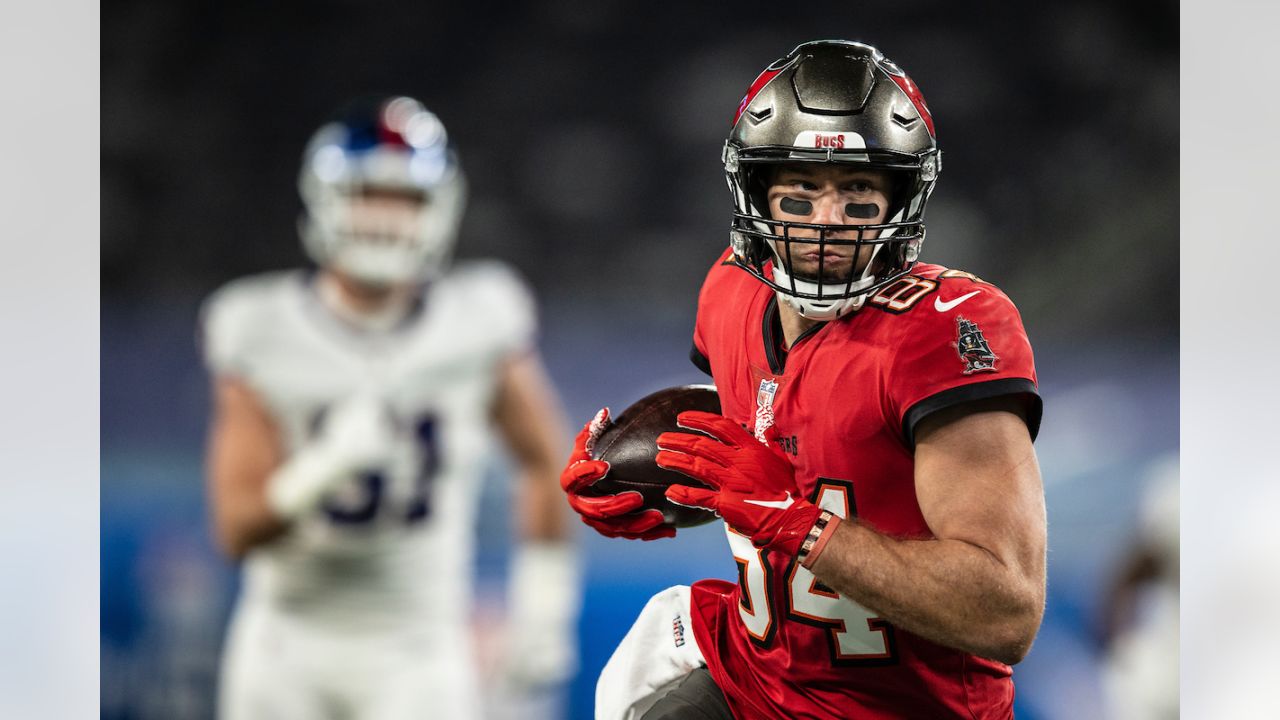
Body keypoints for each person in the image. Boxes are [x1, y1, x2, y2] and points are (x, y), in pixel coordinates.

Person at [561, 40, 1046, 719]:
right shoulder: (729, 292)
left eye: (857, 192)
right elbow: (778, 427)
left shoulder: (944, 331)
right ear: (755, 193)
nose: (825, 222)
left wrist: (793, 521)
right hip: (751, 678)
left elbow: (1005, 612)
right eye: (801, 192)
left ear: (901, 200)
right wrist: (650, 473)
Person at [201, 95, 579, 720]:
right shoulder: (259, 327)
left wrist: (545, 608)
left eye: (405, 198)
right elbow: (236, 529)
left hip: (420, 648)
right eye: (368, 194)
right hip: (287, 644)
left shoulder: (479, 319)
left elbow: (548, 462)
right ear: (325, 201)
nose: (385, 215)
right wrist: (320, 470)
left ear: (441, 208)